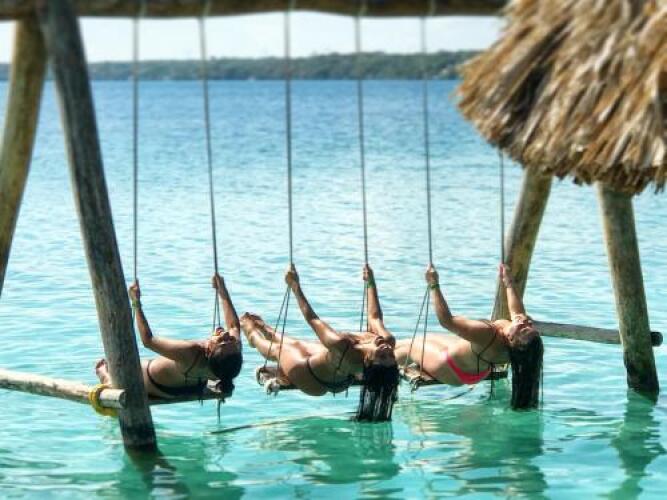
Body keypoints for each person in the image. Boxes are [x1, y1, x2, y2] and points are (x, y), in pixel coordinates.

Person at [241, 264, 399, 421]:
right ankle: (267, 331)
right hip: (336, 372)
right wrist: (371, 281)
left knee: (280, 349)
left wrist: (294, 285)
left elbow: (313, 319)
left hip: (311, 378)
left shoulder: (343, 347)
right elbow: (374, 317)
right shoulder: (387, 340)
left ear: (368, 361)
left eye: (382, 356)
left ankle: (252, 335)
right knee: (300, 345)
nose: (386, 349)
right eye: (391, 355)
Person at [395, 263, 543, 409]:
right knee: (422, 339)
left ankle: (383, 366)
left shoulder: (487, 334)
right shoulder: (519, 347)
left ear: (511, 339)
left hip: (449, 368)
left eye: (523, 329)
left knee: (408, 347)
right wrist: (509, 282)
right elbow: (517, 313)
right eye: (530, 327)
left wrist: (433, 284)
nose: (525, 323)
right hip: (475, 368)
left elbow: (447, 321)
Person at [95, 274, 243, 400]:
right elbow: (234, 326)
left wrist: (136, 303)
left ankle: (106, 378)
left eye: (222, 340)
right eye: (230, 339)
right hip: (192, 387)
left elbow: (148, 340)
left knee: (126, 371)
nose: (226, 334)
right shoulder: (230, 358)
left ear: (209, 350)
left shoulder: (192, 352)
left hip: (155, 385)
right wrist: (222, 290)